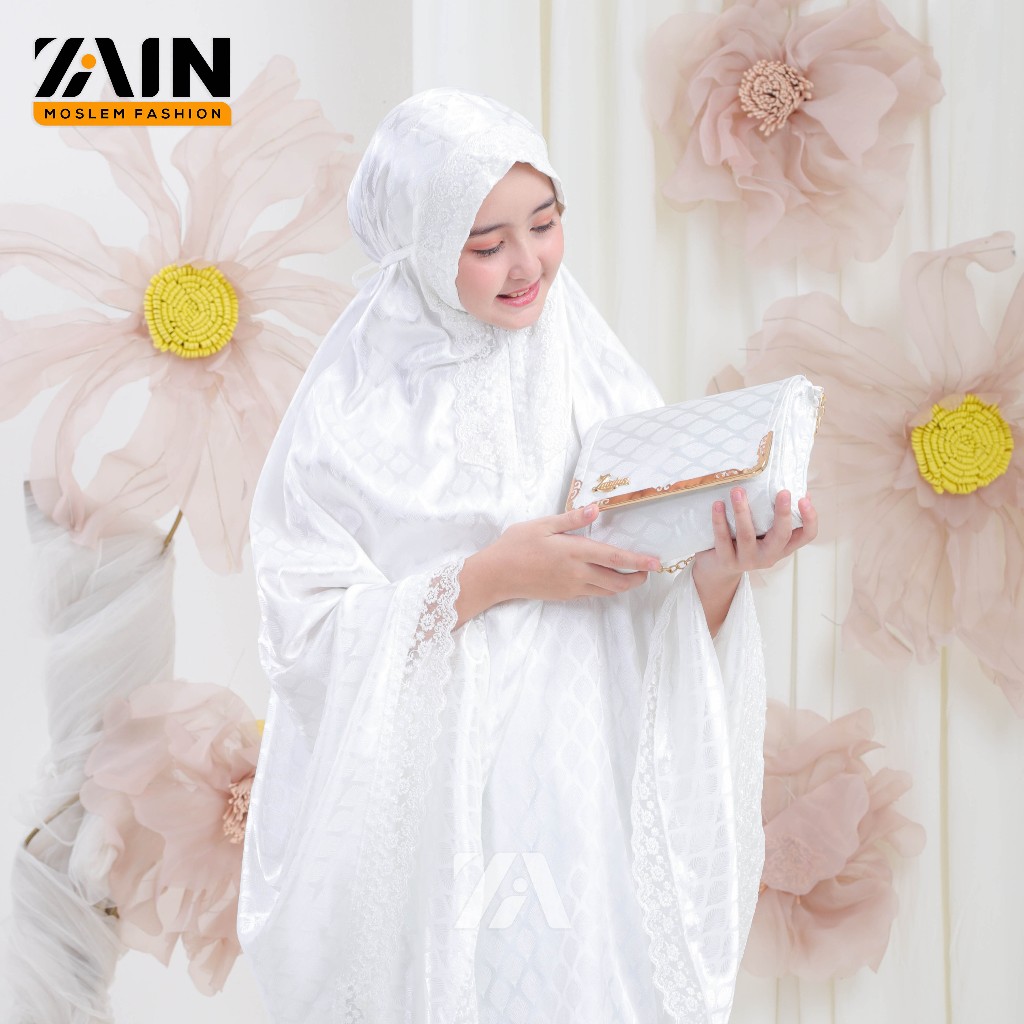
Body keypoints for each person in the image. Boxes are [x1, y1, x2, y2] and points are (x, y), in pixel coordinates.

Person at [238, 88, 817, 1024]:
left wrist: (719, 569)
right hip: (438, 828)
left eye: (544, 225)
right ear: (422, 244)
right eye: (484, 244)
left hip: (585, 811)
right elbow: (303, 635)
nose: (527, 264)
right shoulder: (351, 408)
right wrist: (487, 578)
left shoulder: (594, 373)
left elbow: (650, 602)